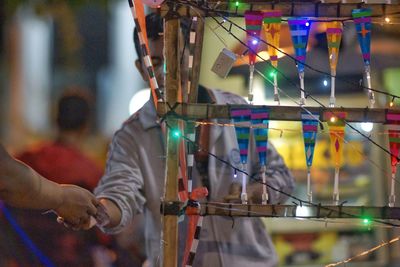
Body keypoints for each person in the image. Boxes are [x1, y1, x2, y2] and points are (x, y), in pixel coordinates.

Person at [90, 13, 295, 267]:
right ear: (141, 69)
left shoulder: (236, 112)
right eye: (155, 62)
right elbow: (120, 193)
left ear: (194, 57)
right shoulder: (133, 135)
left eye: (177, 58)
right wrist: (98, 211)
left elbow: (281, 177)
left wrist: (255, 192)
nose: (169, 73)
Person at [0, 143, 98, 225]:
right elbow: (6, 177)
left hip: (19, 237)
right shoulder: (90, 168)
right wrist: (62, 198)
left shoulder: (29, 155)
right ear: (84, 128)